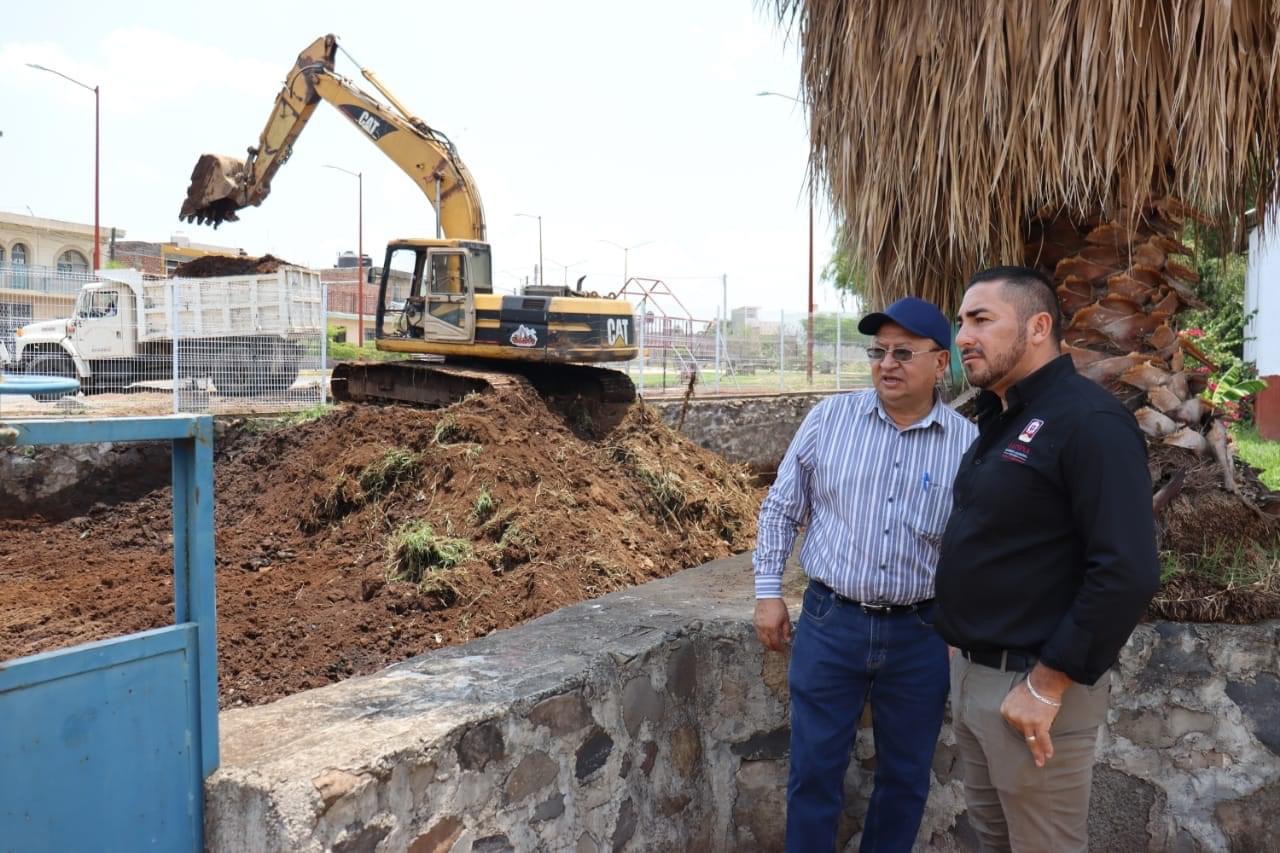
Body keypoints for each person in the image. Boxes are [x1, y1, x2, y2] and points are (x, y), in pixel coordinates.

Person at [934, 265, 1160, 852]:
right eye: (962, 321)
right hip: (979, 681)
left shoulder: (1089, 421)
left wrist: (1046, 685)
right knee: (996, 842)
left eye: (982, 320)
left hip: (1032, 693)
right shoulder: (1000, 417)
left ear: (1038, 327)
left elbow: (1126, 569)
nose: (963, 336)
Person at [753, 297, 977, 852]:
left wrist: (957, 624)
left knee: (904, 780)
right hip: (832, 622)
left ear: (940, 363)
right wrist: (767, 592)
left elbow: (972, 549)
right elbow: (782, 507)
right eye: (878, 351)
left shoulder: (967, 446)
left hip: (920, 635)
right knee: (813, 774)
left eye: (904, 352)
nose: (887, 363)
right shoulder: (829, 420)